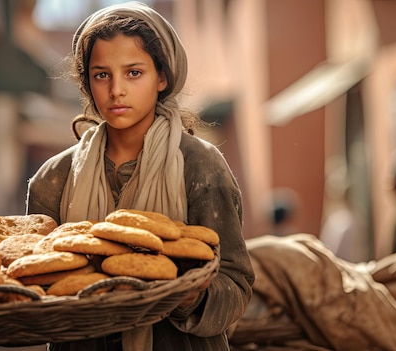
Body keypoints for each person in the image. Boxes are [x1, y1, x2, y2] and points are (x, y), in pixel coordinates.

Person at [25, 2, 254, 351]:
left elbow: (235, 283)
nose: (116, 90)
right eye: (102, 74)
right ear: (87, 82)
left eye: (133, 73)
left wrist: (187, 296)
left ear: (162, 77)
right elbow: (35, 276)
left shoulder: (200, 166)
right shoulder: (54, 178)